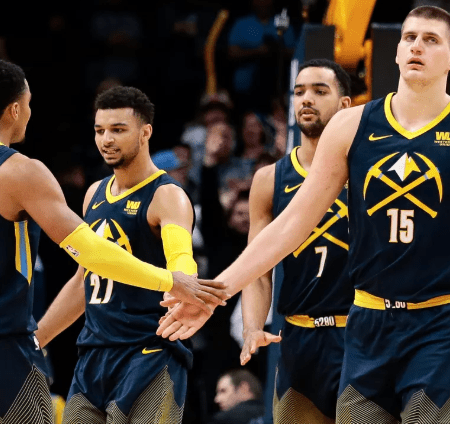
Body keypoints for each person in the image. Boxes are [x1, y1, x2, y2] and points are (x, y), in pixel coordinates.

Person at [158, 5, 450, 423]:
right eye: (410, 38)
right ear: (397, 51)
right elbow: (291, 225)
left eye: (431, 39)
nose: (417, 46)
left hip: (436, 325)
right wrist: (216, 294)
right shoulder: (351, 126)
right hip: (367, 327)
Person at [0, 59, 227, 424]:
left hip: (148, 352)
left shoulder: (167, 194)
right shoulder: (93, 194)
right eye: (100, 130)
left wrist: (182, 284)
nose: (106, 139)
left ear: (145, 132)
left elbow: (181, 258)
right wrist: (39, 338)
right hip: (93, 355)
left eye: (118, 130)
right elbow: (84, 277)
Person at [239, 59, 353, 423]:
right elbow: (258, 267)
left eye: (319, 91)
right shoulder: (269, 179)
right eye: (299, 91)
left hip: (360, 334)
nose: (306, 99)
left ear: (345, 104)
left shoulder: (367, 170)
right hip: (298, 340)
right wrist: (253, 326)